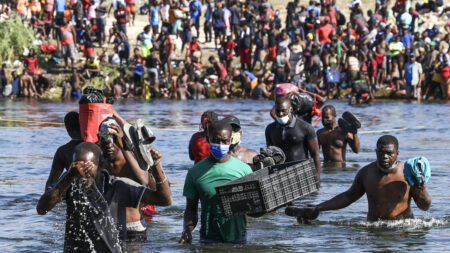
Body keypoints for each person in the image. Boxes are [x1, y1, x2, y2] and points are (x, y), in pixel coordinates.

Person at [37, 142, 171, 251]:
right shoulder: (69, 183)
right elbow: (42, 209)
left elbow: (164, 200)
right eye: (77, 166)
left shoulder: (118, 187)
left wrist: (156, 166)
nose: (82, 173)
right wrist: (69, 176)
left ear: (101, 165)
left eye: (88, 167)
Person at [286, 135, 431, 221]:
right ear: (376, 152)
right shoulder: (366, 173)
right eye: (381, 153)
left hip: (402, 231)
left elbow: (424, 207)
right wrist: (318, 208)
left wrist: (420, 187)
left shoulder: (408, 173)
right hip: (374, 229)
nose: (385, 157)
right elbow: (349, 196)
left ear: (397, 154)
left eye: (389, 153)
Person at [180, 120, 255, 244]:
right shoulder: (195, 172)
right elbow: (191, 209)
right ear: (208, 139)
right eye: (215, 140)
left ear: (230, 141)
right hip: (208, 239)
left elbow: (254, 207)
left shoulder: (244, 170)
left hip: (238, 239)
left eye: (224, 141)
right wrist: (187, 230)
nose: (220, 145)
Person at [265, 96, 321, 177]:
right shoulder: (270, 129)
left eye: (283, 111)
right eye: (278, 111)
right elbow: (269, 155)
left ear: (290, 110)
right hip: (280, 174)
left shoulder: (305, 128)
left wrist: (317, 179)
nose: (280, 114)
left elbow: (315, 154)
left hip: (301, 172)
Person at [44, 111, 83, 190]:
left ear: (67, 129)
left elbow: (51, 183)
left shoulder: (63, 151)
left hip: (74, 193)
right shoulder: (95, 145)